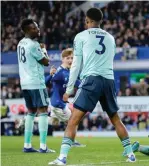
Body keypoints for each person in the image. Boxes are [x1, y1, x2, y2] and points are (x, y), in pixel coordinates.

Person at [49, 8, 136, 165]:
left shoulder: (81, 36)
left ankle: (62, 158)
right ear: (101, 21)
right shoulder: (110, 38)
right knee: (116, 119)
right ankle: (130, 154)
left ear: (87, 21)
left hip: (91, 80)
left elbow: (75, 65)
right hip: (109, 80)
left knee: (73, 120)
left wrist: (69, 90)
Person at [17, 19, 54, 153]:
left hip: (25, 83)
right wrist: (44, 49)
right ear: (27, 30)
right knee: (43, 110)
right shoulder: (34, 45)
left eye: (37, 27)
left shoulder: (20, 43)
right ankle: (43, 146)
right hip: (36, 82)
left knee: (31, 112)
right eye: (34, 28)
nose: (37, 29)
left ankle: (27, 145)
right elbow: (46, 62)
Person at [45, 48, 85, 147]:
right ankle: (71, 141)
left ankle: (28, 120)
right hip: (58, 104)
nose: (70, 60)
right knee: (73, 121)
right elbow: (45, 83)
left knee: (53, 122)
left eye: (72, 58)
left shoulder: (69, 71)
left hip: (58, 103)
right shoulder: (59, 72)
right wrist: (50, 75)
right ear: (62, 59)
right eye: (68, 58)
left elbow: (77, 83)